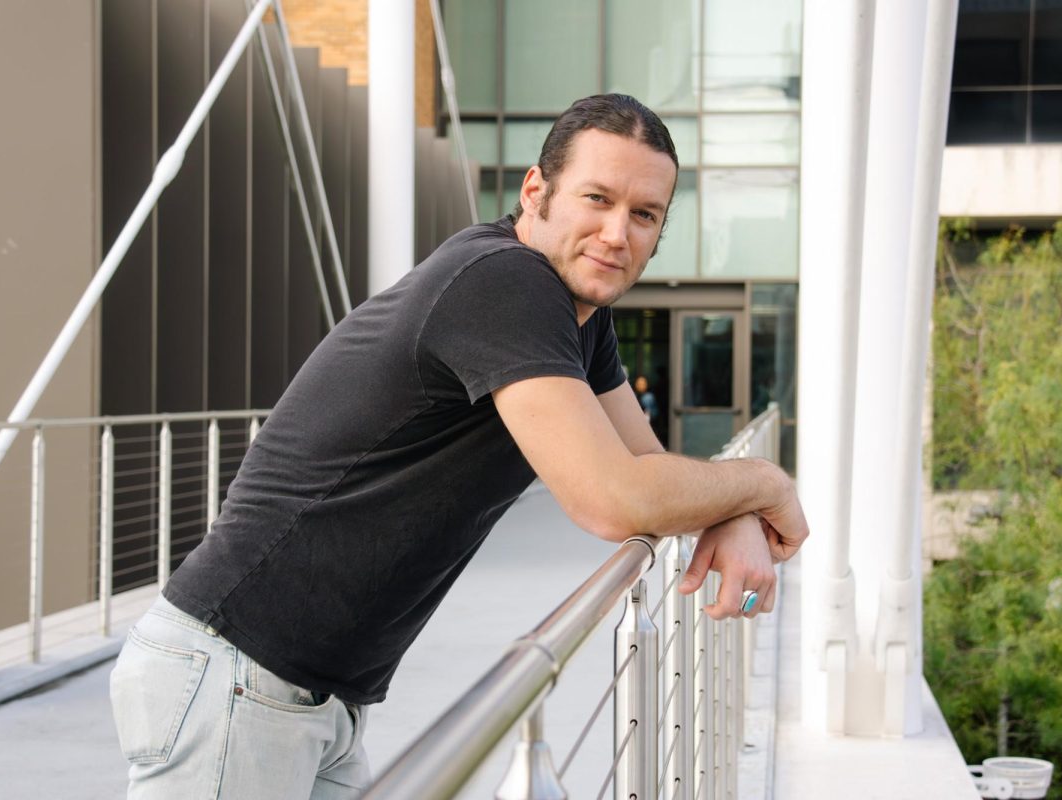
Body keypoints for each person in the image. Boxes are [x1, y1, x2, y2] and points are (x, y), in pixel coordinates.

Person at [108, 93, 809, 799]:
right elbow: (611, 500)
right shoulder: (508, 284)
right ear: (536, 192)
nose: (616, 233)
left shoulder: (579, 319)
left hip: (307, 694)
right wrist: (766, 484)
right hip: (236, 671)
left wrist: (735, 513)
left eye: (644, 214)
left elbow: (646, 469)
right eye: (597, 198)